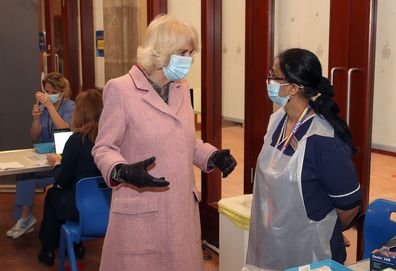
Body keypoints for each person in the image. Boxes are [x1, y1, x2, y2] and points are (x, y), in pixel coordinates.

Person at [92, 14, 237, 271]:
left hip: (180, 211)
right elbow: (103, 147)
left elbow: (184, 141)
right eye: (183, 52)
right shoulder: (121, 89)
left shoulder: (180, 88)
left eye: (191, 53)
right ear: (161, 50)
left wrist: (212, 156)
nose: (188, 60)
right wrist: (120, 170)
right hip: (143, 212)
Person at [245, 48, 362, 270]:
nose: (268, 81)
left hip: (310, 250)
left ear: (293, 87)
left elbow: (349, 207)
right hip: (271, 243)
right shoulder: (277, 120)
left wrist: (330, 230)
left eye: (274, 76)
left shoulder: (323, 139)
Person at [37, 89, 103, 265]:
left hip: (79, 207)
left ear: (80, 113)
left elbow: (63, 180)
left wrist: (57, 164)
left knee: (52, 194)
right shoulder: (109, 138)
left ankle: (48, 249)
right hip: (106, 205)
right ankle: (76, 245)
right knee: (62, 193)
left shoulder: (76, 140)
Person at [6, 72, 75, 239]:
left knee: (37, 178)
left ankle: (31, 220)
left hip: (61, 164)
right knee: (25, 175)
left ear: (62, 91)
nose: (49, 96)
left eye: (52, 92)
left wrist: (50, 108)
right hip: (44, 161)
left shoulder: (70, 107)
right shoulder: (43, 108)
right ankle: (25, 217)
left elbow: (66, 128)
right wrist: (36, 119)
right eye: (47, 91)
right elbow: (34, 136)